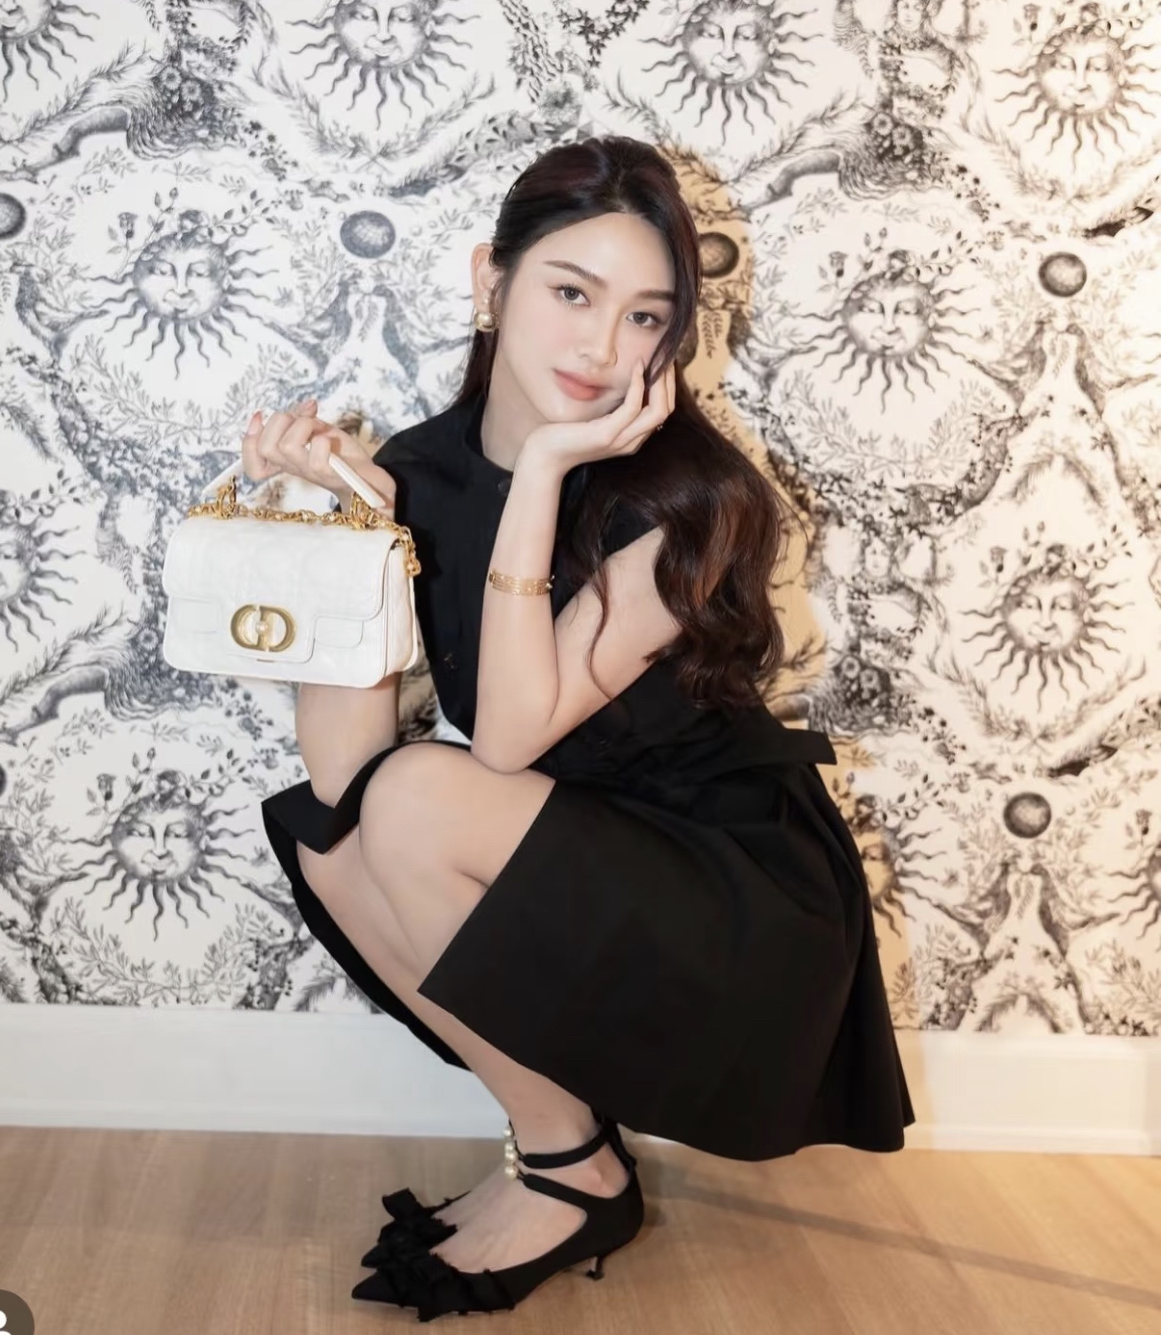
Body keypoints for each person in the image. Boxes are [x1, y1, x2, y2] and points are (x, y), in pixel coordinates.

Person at [244, 135, 915, 1322]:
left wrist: (549, 465)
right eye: (571, 293)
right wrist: (330, 526)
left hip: (737, 901)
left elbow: (506, 741)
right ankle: (567, 1154)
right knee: (331, 834)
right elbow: (342, 775)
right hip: (585, 855)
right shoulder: (418, 472)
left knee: (418, 798)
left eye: (645, 317)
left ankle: (571, 1174)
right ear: (489, 282)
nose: (605, 349)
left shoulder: (691, 505)